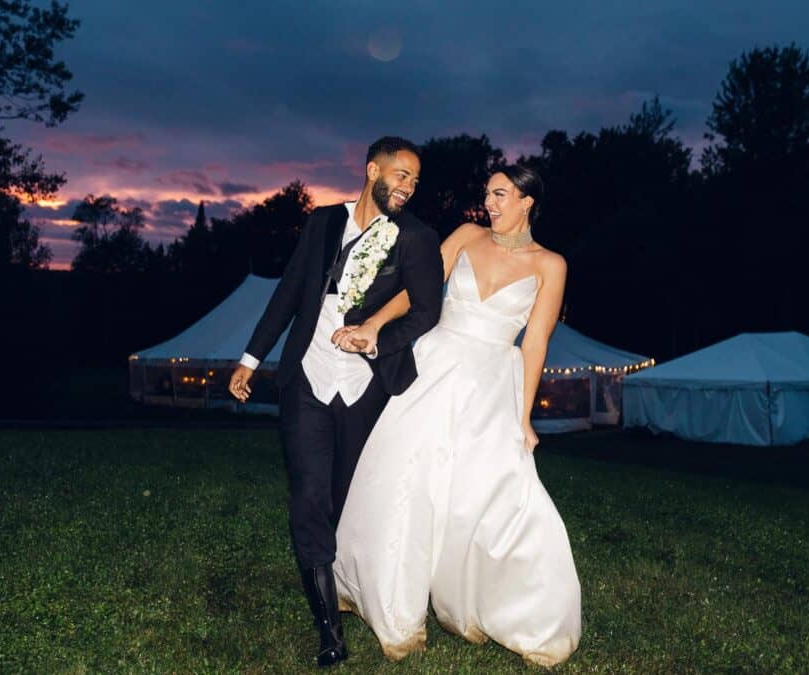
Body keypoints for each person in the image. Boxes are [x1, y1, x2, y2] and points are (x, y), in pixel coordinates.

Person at [331, 165, 582, 667]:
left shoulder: (550, 264)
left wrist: (524, 416)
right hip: (436, 368)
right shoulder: (467, 235)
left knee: (488, 495)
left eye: (500, 194)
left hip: (492, 384)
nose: (489, 202)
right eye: (487, 192)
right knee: (407, 478)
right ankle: (392, 606)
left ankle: (510, 606)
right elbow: (418, 291)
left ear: (527, 201)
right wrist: (375, 324)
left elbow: (535, 343)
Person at [228, 136, 443, 668]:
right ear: (372, 170)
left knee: (342, 499)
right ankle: (329, 630)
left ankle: (348, 585)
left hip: (368, 387)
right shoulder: (323, 222)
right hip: (306, 378)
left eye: (415, 180)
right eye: (400, 175)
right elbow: (288, 295)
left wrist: (377, 336)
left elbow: (427, 309)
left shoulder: (416, 237)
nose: (408, 187)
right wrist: (250, 359)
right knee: (307, 496)